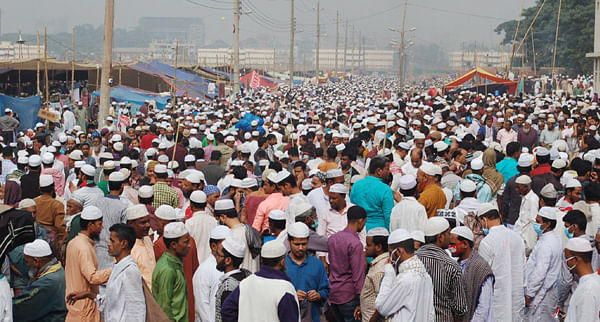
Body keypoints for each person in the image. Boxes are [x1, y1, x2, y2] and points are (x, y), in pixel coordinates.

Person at [67, 224, 146, 322]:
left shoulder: (130, 271)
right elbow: (112, 301)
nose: (108, 244)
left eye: (112, 241)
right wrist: (88, 294)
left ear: (123, 244)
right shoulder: (117, 266)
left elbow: (136, 308)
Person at [477, 203, 526, 321]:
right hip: (516, 297)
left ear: (484, 220)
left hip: (497, 299)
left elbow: (482, 276)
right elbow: (523, 269)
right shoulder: (517, 238)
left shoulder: (487, 242)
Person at [374, 228, 435, 321]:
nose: (390, 257)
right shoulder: (426, 276)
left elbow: (382, 308)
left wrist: (389, 274)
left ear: (398, 251)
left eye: (391, 253)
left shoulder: (405, 279)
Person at [64, 206, 112, 322]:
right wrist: (115, 269)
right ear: (90, 225)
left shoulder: (74, 242)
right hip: (84, 308)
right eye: (99, 224)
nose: (102, 227)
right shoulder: (84, 247)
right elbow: (92, 277)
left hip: (78, 305)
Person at [416, 217, 467, 321]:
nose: (450, 237)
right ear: (440, 237)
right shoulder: (451, 265)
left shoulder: (411, 260)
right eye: (448, 233)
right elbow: (460, 308)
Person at [327, 205, 367, 321]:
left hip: (333, 292)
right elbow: (358, 274)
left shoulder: (333, 238)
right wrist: (361, 299)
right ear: (360, 221)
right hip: (348, 295)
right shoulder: (355, 243)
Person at [12, 239, 68, 321]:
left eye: (27, 262)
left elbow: (23, 306)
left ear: (36, 261)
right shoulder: (58, 271)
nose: (27, 265)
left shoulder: (48, 281)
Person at [285, 222, 330, 321]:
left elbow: (326, 290)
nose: (300, 248)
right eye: (297, 244)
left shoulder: (317, 265)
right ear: (289, 241)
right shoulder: (282, 265)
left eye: (304, 244)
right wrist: (292, 296)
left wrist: (318, 295)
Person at [449, 226, 494, 321]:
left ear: (465, 244)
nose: (450, 248)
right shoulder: (456, 265)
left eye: (452, 244)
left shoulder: (481, 267)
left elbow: (484, 306)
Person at [524, 207, 562, 320]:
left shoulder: (546, 245)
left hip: (541, 294)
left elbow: (540, 272)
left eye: (538, 221)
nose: (535, 224)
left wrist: (529, 294)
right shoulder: (555, 239)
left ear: (547, 224)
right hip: (549, 292)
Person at [152, 222, 191, 322]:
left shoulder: (175, 263)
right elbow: (164, 307)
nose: (189, 246)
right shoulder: (168, 269)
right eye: (186, 242)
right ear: (173, 244)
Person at [193, 225, 232, 322]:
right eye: (226, 243)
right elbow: (202, 306)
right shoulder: (204, 270)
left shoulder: (228, 265)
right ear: (214, 246)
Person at [350, 156, 394, 231]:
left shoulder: (356, 185)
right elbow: (389, 216)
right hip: (379, 233)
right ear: (379, 171)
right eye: (387, 169)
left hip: (359, 229)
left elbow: (352, 208)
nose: (389, 171)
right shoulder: (385, 189)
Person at [214, 236, 250, 322]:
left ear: (228, 260)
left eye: (218, 254)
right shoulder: (247, 275)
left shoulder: (228, 287)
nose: (216, 257)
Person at [563, 237, 600, 321]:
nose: (566, 263)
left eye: (567, 258)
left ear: (575, 260)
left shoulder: (587, 290)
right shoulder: (595, 280)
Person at [358, 227, 389, 322]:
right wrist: (362, 307)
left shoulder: (380, 269)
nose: (365, 247)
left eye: (368, 245)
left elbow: (383, 302)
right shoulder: (378, 264)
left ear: (378, 247)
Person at [126, 204, 156, 289]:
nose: (148, 225)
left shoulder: (147, 239)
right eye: (143, 222)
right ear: (131, 223)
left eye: (148, 221)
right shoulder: (127, 248)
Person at [185, 190, 218, 263]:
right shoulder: (214, 222)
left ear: (191, 205)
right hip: (213, 263)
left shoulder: (189, 223)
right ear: (206, 204)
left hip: (196, 263)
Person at [514, 174, 539, 254]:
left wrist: (529, 243)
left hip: (527, 238)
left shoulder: (532, 199)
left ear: (525, 187)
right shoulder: (525, 197)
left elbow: (533, 221)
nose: (516, 190)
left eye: (518, 188)